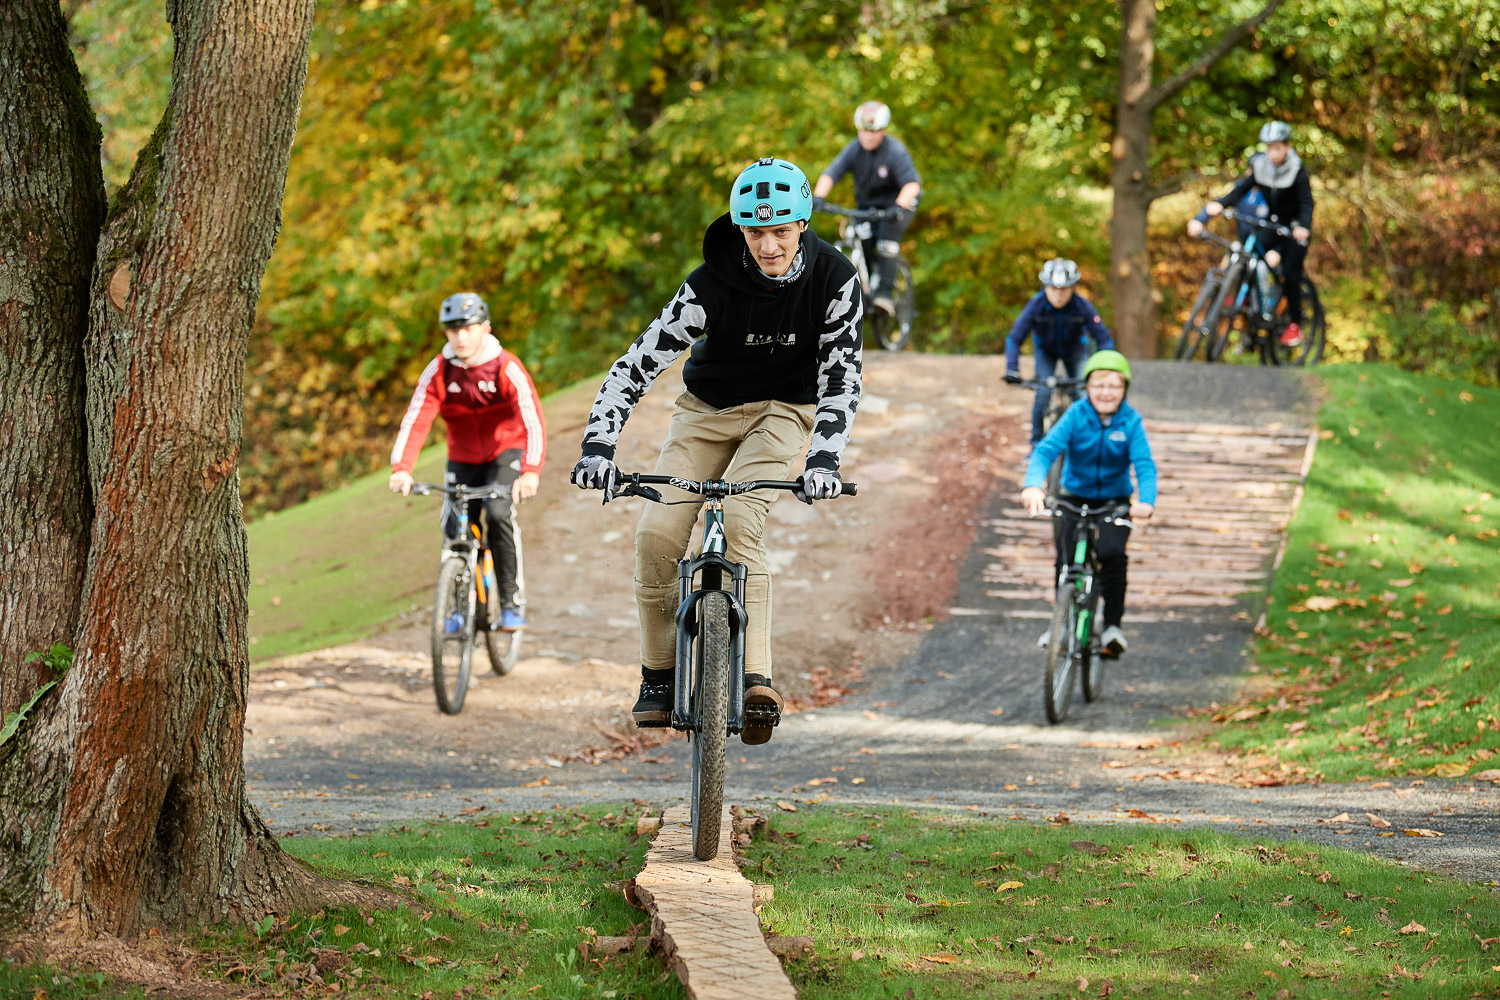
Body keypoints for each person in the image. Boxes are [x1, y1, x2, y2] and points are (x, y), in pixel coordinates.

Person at [572, 156, 863, 746]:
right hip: (706, 414)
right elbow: (638, 364)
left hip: (785, 412)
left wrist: (824, 459)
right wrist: (598, 447)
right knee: (657, 534)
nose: (769, 245)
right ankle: (658, 673)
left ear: (803, 224)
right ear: (740, 229)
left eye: (781, 230)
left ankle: (756, 679)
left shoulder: (836, 280)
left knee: (739, 517)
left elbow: (842, 375)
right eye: (757, 232)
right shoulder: (708, 284)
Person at [389, 292, 547, 631]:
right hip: (462, 460)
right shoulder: (440, 371)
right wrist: (401, 468)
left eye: (468, 328)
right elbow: (417, 419)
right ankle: (459, 607)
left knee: (498, 514)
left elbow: (533, 420)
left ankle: (510, 603)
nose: (461, 337)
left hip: (506, 454)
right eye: (453, 330)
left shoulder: (506, 366)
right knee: (454, 526)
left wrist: (530, 472)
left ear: (484, 328)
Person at [1020, 350, 1155, 659]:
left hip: (1114, 501)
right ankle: (1062, 624)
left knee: (1111, 554)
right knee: (1065, 558)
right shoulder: (1076, 415)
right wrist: (1033, 485)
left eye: (1113, 386)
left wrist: (1145, 501)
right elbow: (1045, 450)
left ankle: (1112, 627)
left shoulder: (1131, 422)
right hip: (1074, 495)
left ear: (1124, 390)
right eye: (1098, 385)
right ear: (1087, 388)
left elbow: (1145, 466)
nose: (1105, 393)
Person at [1187, 120, 1314, 347]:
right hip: (1272, 224)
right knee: (1251, 251)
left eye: (1277, 147)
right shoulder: (1262, 167)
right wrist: (1220, 205)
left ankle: (1295, 323)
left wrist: (1303, 226)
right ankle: (1254, 305)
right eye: (1269, 147)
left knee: (1292, 275)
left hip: (1294, 228)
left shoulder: (1297, 170)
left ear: (1286, 147)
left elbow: (1306, 202)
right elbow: (1240, 191)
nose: (1272, 153)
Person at [810, 100, 921, 315]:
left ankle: (885, 295)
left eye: (874, 131)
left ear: (883, 131)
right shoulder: (854, 149)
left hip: (898, 204)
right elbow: (831, 173)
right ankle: (866, 288)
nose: (868, 136)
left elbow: (911, 185)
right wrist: (819, 197)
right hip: (867, 207)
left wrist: (898, 206)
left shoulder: (894, 151)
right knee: (862, 240)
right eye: (863, 131)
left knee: (887, 241)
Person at [1003, 258, 1115, 447]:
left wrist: (1105, 368)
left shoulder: (1082, 306)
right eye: (1053, 289)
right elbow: (1014, 338)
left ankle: (1093, 442)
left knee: (1083, 393)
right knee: (1043, 394)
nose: (1058, 295)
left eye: (1064, 289)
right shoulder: (1035, 305)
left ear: (1073, 288)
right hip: (1045, 351)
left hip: (1075, 350)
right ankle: (1036, 444)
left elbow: (1103, 338)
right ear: (1045, 287)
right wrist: (1012, 369)